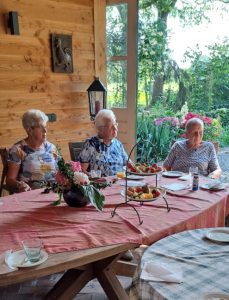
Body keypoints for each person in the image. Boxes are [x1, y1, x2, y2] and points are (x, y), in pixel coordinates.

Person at [6, 109, 58, 193]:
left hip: (55, 191)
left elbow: (60, 171)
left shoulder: (51, 147)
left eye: (45, 127)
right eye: (41, 127)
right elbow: (9, 180)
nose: (45, 131)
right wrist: (19, 185)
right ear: (29, 130)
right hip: (31, 194)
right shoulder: (18, 149)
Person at [78, 109, 128, 177]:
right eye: (111, 126)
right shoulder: (90, 144)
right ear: (101, 129)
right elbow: (81, 171)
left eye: (115, 124)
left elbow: (129, 165)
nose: (115, 128)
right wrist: (94, 178)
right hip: (101, 185)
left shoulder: (118, 144)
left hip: (121, 183)